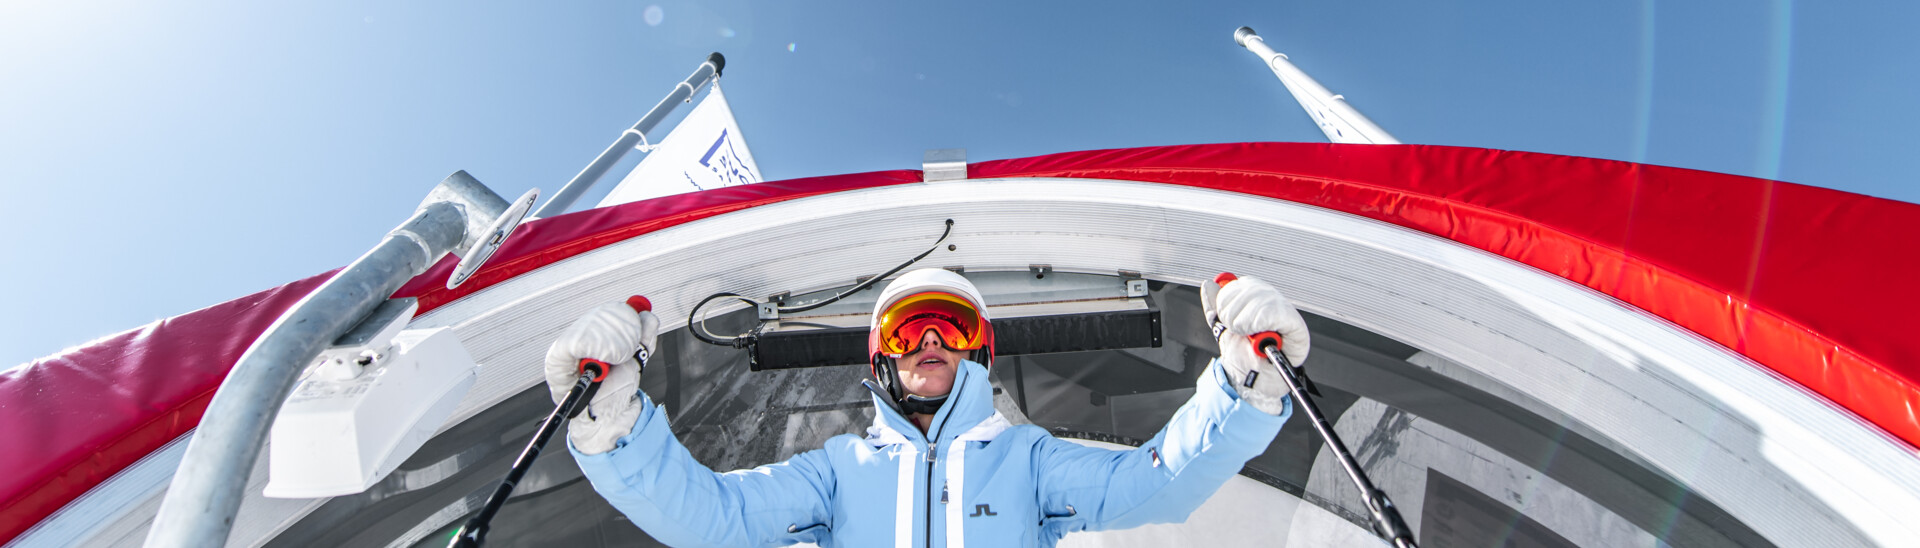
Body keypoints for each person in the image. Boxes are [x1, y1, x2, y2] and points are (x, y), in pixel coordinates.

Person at [544, 268, 1311, 547]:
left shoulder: (1029, 461)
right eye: (909, 330)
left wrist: (1245, 386)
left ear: (978, 351)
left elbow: (1157, 482)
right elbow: (708, 519)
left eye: (954, 327)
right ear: (882, 354)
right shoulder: (837, 473)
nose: (931, 342)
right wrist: (608, 423)